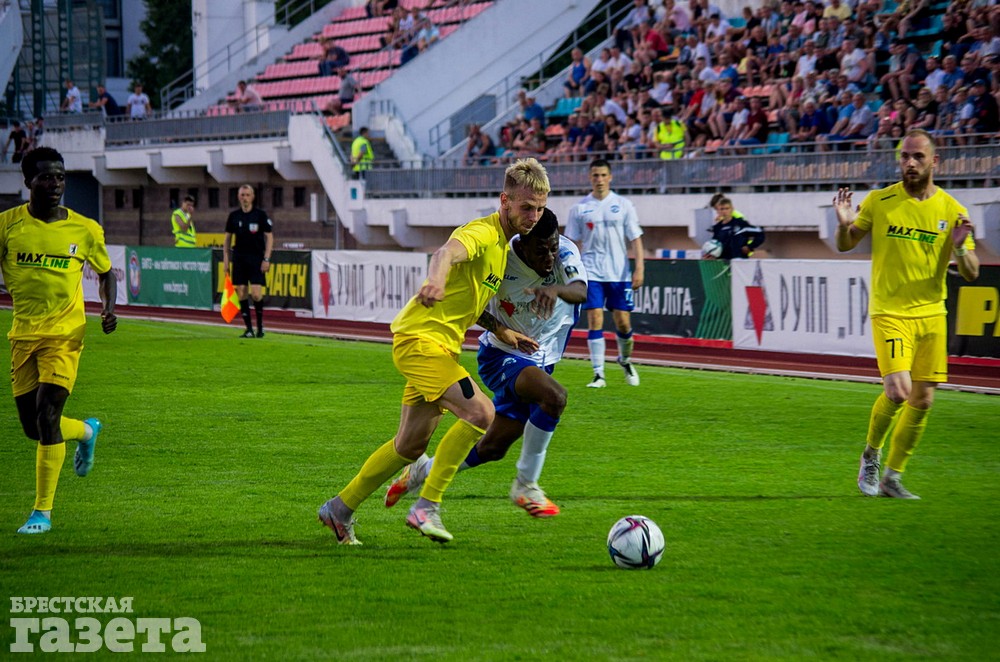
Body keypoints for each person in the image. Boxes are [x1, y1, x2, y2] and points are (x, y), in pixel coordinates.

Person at [317, 158, 550, 545]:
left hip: (440, 347)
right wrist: (434, 282)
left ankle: (339, 509)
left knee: (409, 446)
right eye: (527, 207)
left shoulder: (502, 247)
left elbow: (469, 302)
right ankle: (427, 506)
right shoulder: (480, 232)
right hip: (420, 341)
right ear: (505, 200)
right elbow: (444, 254)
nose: (534, 215)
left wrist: (502, 330)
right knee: (482, 412)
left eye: (540, 208)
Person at [383, 208, 587, 518]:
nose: (549, 257)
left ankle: (421, 472)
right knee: (554, 397)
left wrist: (555, 289)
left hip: (542, 358)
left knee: (492, 448)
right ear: (522, 243)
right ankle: (526, 485)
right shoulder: (502, 259)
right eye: (541, 250)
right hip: (501, 356)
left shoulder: (565, 252)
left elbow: (579, 291)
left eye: (553, 247)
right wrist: (502, 329)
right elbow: (472, 306)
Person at [834, 129, 979, 500]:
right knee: (898, 391)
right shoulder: (881, 200)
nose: (909, 163)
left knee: (923, 400)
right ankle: (871, 454)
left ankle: (893, 478)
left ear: (935, 161)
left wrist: (961, 248)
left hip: (932, 313)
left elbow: (972, 273)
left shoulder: (952, 210)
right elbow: (846, 243)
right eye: (904, 157)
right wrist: (843, 222)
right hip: (890, 310)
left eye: (917, 157)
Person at [0, 147, 117, 534]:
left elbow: (106, 272)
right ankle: (86, 430)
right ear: (27, 181)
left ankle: (42, 512)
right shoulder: (7, 226)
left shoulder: (84, 228)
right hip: (23, 334)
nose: (55, 184)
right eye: (46, 177)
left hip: (66, 334)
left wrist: (108, 308)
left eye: (61, 177)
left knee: (48, 415)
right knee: (33, 429)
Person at [566, 158, 644, 389]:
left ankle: (625, 360)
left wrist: (639, 267)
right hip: (592, 271)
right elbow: (571, 242)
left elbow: (635, 238)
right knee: (595, 318)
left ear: (610, 177)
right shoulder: (579, 208)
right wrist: (572, 272)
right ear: (590, 178)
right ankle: (598, 374)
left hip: (619, 273)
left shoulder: (624, 204)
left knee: (622, 323)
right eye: (595, 175)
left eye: (603, 175)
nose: (599, 179)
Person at [222, 185, 273, 338]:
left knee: (256, 294)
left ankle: (260, 327)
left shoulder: (260, 215)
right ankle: (249, 329)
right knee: (241, 292)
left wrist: (267, 258)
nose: (245, 197)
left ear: (252, 197)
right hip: (239, 258)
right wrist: (226, 260)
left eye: (247, 195)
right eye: (242, 195)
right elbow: (227, 240)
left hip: (256, 258)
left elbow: (270, 237)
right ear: (239, 197)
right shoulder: (233, 216)